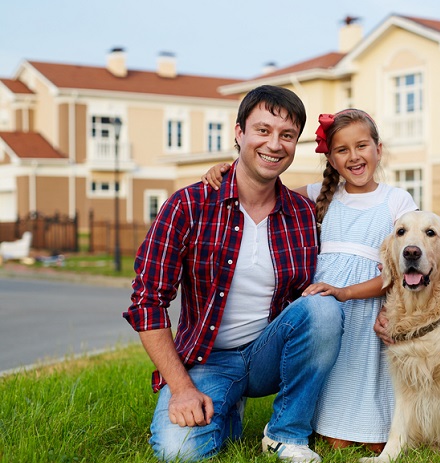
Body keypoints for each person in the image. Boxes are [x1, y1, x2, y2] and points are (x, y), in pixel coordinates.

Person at [124, 85, 344, 463]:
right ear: (239, 133)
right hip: (209, 358)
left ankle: (285, 433)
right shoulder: (188, 205)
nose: (274, 144)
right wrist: (182, 389)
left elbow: (357, 201)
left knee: (323, 309)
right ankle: (225, 403)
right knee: (179, 453)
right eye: (263, 130)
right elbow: (148, 302)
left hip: (269, 353)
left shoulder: (303, 214)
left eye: (287, 135)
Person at [202, 109, 417, 452]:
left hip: (365, 309)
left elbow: (398, 272)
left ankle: (367, 424)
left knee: (370, 425)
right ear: (330, 158)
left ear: (378, 148)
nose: (353, 156)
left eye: (361, 145)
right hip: (324, 308)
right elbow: (262, 187)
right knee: (331, 407)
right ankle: (305, 424)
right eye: (342, 150)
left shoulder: (397, 201)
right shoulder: (318, 194)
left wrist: (347, 292)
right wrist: (227, 168)